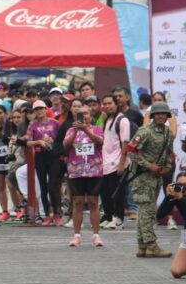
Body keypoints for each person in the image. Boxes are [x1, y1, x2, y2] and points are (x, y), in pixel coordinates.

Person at [129, 101, 174, 258]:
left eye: (164, 113)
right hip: (143, 177)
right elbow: (131, 151)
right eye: (158, 113)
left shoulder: (168, 132)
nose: (161, 116)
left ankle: (142, 245)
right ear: (153, 115)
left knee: (145, 211)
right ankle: (152, 245)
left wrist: (167, 166)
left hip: (157, 177)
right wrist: (149, 166)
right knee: (147, 211)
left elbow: (169, 151)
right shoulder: (145, 131)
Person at [63, 106, 105, 247]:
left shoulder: (97, 128)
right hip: (76, 171)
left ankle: (96, 235)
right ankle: (76, 236)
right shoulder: (71, 130)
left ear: (91, 115)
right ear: (76, 117)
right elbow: (65, 145)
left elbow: (100, 142)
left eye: (86, 113)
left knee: (93, 202)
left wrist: (86, 129)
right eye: (80, 114)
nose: (83, 116)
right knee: (78, 202)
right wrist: (76, 131)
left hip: (94, 170)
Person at [26, 100, 62, 225]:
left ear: (46, 109)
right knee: (43, 186)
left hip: (53, 156)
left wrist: (52, 140)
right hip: (40, 156)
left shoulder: (55, 123)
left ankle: (57, 213)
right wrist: (39, 142)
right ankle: (47, 214)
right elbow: (28, 141)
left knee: (53, 185)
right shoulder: (32, 124)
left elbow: (61, 139)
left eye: (41, 108)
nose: (39, 111)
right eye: (36, 109)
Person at [100, 95, 130, 230]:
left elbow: (125, 142)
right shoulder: (107, 119)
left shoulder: (122, 120)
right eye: (105, 104)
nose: (107, 106)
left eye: (110, 103)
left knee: (117, 192)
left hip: (117, 162)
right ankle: (109, 216)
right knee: (105, 192)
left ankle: (119, 219)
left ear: (116, 104)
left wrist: (122, 163)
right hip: (106, 163)